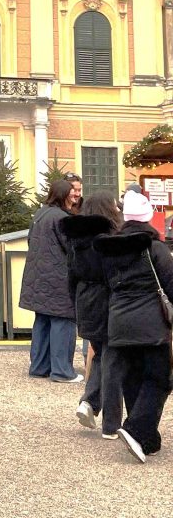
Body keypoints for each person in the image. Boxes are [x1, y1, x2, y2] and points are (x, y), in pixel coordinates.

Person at [94, 188, 173, 462]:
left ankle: (147, 440)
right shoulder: (155, 249)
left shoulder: (108, 250)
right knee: (160, 379)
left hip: (119, 322)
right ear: (148, 218)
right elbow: (170, 285)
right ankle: (136, 429)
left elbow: (104, 285)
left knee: (133, 378)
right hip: (151, 324)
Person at [62, 191, 122, 436]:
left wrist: (76, 304)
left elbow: (70, 277)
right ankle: (111, 424)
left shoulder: (76, 239)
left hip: (85, 298)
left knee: (101, 354)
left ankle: (89, 402)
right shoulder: (111, 239)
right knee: (113, 360)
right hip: (108, 299)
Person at [19, 179, 82, 382]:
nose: (74, 197)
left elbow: (31, 241)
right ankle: (62, 371)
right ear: (63, 196)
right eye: (71, 193)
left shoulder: (40, 214)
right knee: (63, 321)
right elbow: (71, 248)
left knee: (42, 321)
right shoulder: (62, 218)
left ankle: (39, 367)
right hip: (59, 279)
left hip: (38, 276)